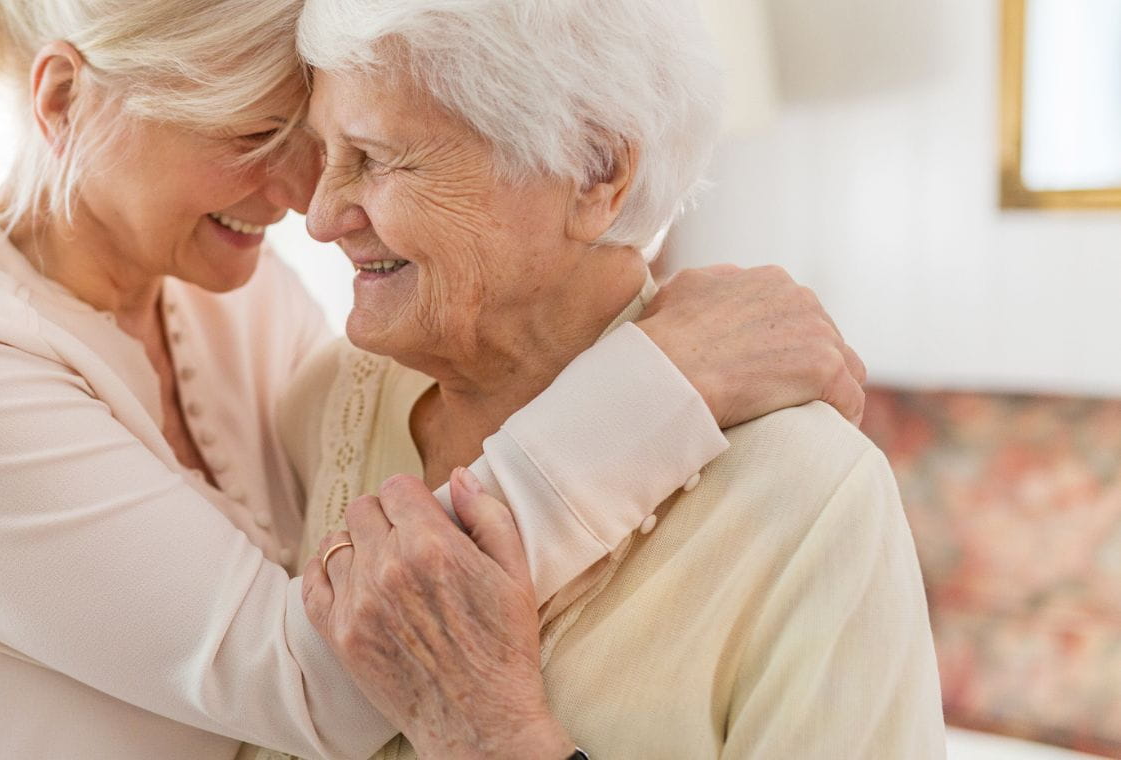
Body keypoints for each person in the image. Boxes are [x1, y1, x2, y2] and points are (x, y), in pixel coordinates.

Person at [0, 0, 868, 757]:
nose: (304, 198)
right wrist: (660, 383)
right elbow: (320, 670)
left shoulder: (224, 295)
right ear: (62, 101)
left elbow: (376, 484)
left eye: (321, 136)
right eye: (254, 135)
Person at [270, 0, 946, 757]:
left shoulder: (812, 497)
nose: (321, 218)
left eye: (376, 156)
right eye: (323, 151)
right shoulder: (324, 402)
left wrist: (489, 732)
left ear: (595, 172)